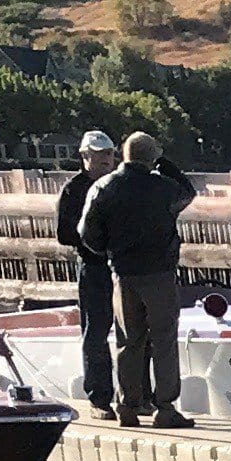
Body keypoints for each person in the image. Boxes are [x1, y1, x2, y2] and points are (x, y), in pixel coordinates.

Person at [77, 130, 200, 428]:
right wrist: (165, 163)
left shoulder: (104, 187)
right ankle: (165, 407)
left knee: (127, 342)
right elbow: (188, 192)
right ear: (151, 156)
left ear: (123, 154)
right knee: (164, 342)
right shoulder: (163, 187)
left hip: (123, 274)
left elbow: (86, 232)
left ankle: (128, 407)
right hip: (159, 274)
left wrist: (110, 251)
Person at [52, 127, 119, 417]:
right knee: (96, 332)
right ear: (84, 156)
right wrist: (95, 238)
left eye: (109, 155)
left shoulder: (119, 185)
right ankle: (99, 398)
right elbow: (64, 235)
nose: (106, 161)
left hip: (123, 268)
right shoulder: (73, 190)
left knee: (135, 332)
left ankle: (136, 396)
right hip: (93, 267)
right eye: (99, 156)